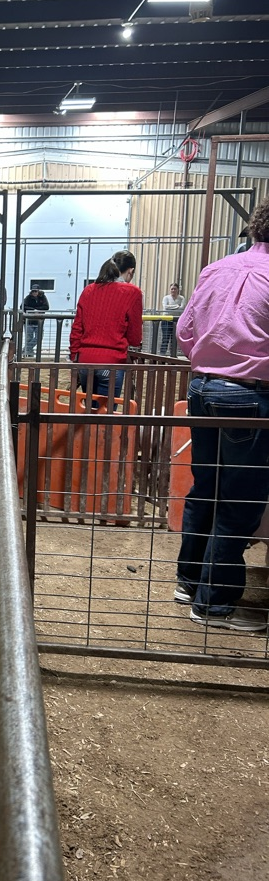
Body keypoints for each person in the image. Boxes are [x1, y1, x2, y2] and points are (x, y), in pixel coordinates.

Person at [173, 197, 269, 633]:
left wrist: (212, 361)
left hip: (203, 386)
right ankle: (214, 604)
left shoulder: (216, 268)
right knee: (241, 499)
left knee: (206, 486)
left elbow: (184, 331)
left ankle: (189, 581)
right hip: (250, 394)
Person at [69, 250, 142, 402]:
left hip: (85, 360)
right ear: (131, 271)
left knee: (88, 409)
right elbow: (135, 336)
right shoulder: (132, 292)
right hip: (112, 361)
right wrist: (132, 354)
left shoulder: (88, 290)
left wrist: (75, 356)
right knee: (105, 416)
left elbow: (77, 329)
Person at [22, 283, 49, 358]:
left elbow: (46, 307)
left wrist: (37, 310)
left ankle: (26, 349)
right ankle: (29, 352)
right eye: (33, 291)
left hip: (39, 321)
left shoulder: (42, 297)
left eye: (36, 291)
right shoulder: (28, 297)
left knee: (39, 337)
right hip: (29, 321)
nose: (34, 293)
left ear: (38, 291)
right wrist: (33, 310)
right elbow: (22, 306)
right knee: (29, 338)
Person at [159, 282, 186, 355]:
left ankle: (173, 354)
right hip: (166, 320)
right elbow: (165, 307)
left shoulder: (181, 298)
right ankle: (162, 354)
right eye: (172, 289)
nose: (173, 290)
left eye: (175, 289)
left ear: (178, 290)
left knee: (174, 339)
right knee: (165, 338)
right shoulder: (166, 298)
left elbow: (182, 308)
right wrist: (177, 306)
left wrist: (171, 307)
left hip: (176, 321)